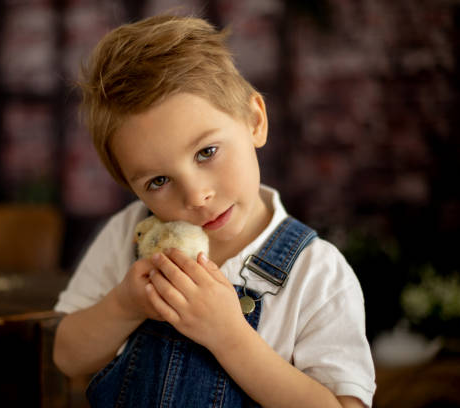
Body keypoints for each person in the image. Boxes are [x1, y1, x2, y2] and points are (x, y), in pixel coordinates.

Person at [53, 14, 376, 408]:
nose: (196, 195)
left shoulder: (317, 273)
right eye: (158, 181)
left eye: (206, 152)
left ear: (254, 121)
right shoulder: (129, 236)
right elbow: (66, 357)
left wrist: (230, 337)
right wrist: (125, 304)